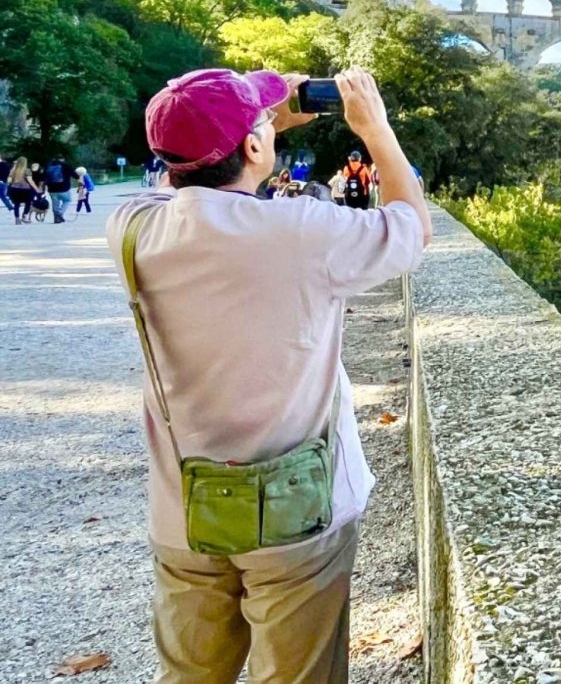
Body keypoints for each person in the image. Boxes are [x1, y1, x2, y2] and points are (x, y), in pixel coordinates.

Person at [107, 66, 430, 684]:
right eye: (259, 126)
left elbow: (180, 182)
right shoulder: (303, 231)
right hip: (297, 514)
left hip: (185, 511)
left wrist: (248, 131)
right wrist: (378, 131)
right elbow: (411, 230)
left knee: (189, 675)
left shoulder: (132, 230)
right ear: (254, 147)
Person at [7, 157, 35, 224]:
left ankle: (17, 219)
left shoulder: (13, 170)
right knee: (28, 203)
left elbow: (9, 181)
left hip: (15, 189)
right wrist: (36, 188)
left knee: (17, 204)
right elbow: (30, 181)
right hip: (25, 190)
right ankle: (24, 216)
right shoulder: (27, 170)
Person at [44, 157, 72, 223]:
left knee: (55, 204)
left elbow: (43, 177)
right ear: (62, 159)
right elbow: (74, 175)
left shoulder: (48, 166)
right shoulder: (65, 165)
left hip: (52, 189)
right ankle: (60, 214)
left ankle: (56, 219)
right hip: (64, 188)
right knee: (67, 200)